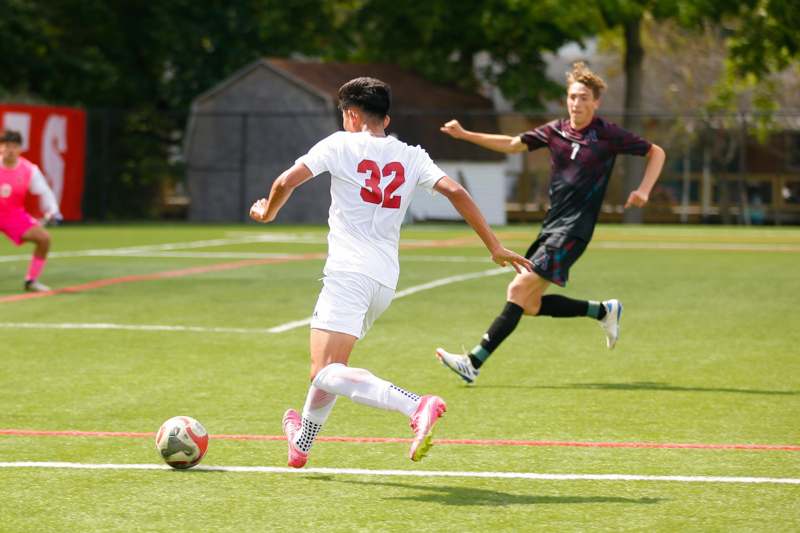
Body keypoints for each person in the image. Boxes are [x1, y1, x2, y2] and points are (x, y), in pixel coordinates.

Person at [249, 77, 532, 468]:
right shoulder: (412, 154)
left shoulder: (338, 143)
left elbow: (284, 182)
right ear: (387, 116)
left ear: (350, 114)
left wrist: (267, 211)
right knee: (331, 367)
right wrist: (494, 246)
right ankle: (302, 442)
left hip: (348, 273)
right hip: (384, 280)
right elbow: (457, 193)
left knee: (325, 371)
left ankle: (416, 405)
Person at [435, 62, 666, 384]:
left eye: (584, 97)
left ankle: (473, 362)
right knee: (529, 304)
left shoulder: (607, 134)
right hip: (551, 227)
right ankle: (603, 311)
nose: (577, 103)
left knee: (518, 288)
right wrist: (465, 135)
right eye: (572, 96)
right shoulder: (555, 131)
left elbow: (656, 152)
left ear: (595, 102)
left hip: (574, 230)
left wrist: (643, 190)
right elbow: (512, 144)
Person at [0, 130, 62, 292]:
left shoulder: (29, 170)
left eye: (14, 146)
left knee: (44, 239)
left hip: (13, 215)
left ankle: (31, 281)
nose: (10, 150)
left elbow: (45, 192)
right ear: (0, 148)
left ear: (20, 149)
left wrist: (53, 210)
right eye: (6, 146)